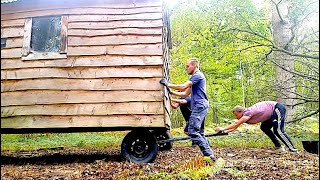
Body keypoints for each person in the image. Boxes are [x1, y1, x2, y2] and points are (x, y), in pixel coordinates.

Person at [160, 58, 216, 161]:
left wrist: (167, 84)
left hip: (200, 105)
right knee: (200, 132)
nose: (186, 68)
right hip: (201, 106)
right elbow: (184, 93)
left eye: (188, 66)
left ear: (194, 66)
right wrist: (171, 93)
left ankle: (209, 155)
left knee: (192, 131)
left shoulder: (197, 76)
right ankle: (209, 154)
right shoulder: (195, 80)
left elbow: (182, 87)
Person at [215, 101, 298, 152]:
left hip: (277, 108)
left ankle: (293, 149)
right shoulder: (245, 116)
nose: (236, 117)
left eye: (237, 115)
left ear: (240, 111)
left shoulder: (248, 112)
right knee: (264, 127)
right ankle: (279, 147)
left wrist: (223, 128)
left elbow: (236, 124)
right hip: (270, 115)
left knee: (278, 130)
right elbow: (235, 127)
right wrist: (224, 132)